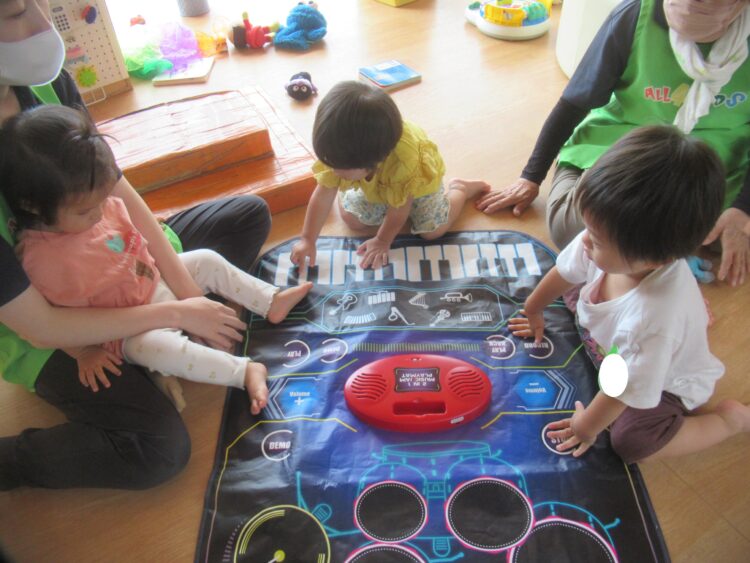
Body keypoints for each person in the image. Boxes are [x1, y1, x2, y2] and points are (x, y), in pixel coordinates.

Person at [0, 0, 272, 490]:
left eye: (35, 1)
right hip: (60, 328)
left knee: (247, 215)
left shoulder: (46, 83)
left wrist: (187, 293)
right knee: (160, 451)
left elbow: (116, 190)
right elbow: (41, 326)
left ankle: (154, 356)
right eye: (15, 13)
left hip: (123, 264)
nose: (41, 23)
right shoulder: (40, 257)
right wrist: (178, 313)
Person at [4, 105, 312, 414]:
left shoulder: (94, 196)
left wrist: (188, 297)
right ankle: (243, 371)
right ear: (34, 206)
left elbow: (143, 239)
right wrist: (84, 352)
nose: (99, 213)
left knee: (206, 259)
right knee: (156, 349)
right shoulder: (43, 260)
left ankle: (270, 300)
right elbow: (58, 321)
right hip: (127, 329)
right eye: (85, 212)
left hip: (151, 280)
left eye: (103, 200)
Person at [509, 125, 750, 463]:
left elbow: (621, 388)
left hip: (663, 382)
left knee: (632, 443)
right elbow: (565, 271)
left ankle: (729, 421)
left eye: (597, 239)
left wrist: (585, 427)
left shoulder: (652, 320)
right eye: (589, 228)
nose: (584, 239)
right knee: (573, 286)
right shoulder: (603, 241)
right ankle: (678, 321)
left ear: (658, 259)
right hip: (620, 345)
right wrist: (533, 309)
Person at [476, 0, 750, 287]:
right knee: (576, 229)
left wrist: (742, 210)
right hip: (625, 148)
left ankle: (657, 245)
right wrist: (531, 177)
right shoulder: (634, 16)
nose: (694, 7)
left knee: (721, 238)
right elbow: (574, 102)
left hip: (713, 168)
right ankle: (663, 247)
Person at [290, 80, 489, 270]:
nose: (333, 171)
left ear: (373, 161)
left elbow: (399, 209)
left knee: (432, 232)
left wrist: (382, 240)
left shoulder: (404, 162)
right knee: (352, 219)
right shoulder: (338, 150)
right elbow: (323, 193)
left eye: (339, 168)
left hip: (418, 188)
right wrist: (308, 239)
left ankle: (460, 188)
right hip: (379, 185)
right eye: (330, 163)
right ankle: (355, 193)